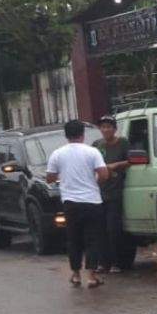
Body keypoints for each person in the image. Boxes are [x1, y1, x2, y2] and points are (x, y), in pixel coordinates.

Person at [46, 120, 110, 288]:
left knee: (73, 238)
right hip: (92, 201)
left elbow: (50, 177)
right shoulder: (92, 152)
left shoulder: (57, 154)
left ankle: (75, 274)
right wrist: (94, 181)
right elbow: (103, 175)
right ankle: (91, 276)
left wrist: (62, 177)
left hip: (70, 202)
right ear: (82, 134)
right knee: (92, 239)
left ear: (66, 135)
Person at [92, 115, 130, 273]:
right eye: (103, 127)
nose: (106, 129)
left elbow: (131, 160)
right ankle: (102, 262)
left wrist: (115, 165)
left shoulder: (123, 143)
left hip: (115, 191)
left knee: (113, 229)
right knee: (99, 229)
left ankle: (116, 262)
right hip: (98, 192)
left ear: (114, 128)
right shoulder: (96, 145)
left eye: (109, 126)